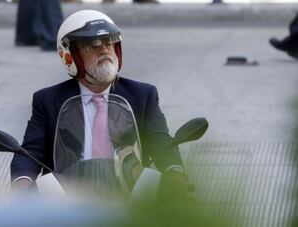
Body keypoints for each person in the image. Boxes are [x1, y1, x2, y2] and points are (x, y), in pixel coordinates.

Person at [10, 10, 188, 195]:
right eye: (92, 45)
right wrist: (22, 182)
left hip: (129, 193)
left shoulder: (143, 95)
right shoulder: (47, 100)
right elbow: (29, 152)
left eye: (109, 43)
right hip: (68, 197)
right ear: (70, 56)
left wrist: (174, 170)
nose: (104, 49)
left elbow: (161, 142)